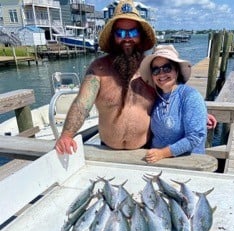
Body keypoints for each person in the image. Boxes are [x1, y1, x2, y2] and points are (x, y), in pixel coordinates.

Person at [55, 0, 216, 155]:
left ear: (141, 36)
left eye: (132, 32)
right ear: (113, 36)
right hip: (107, 151)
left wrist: (197, 113)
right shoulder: (98, 69)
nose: (127, 38)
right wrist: (67, 135)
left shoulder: (151, 69)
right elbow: (82, 104)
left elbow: (171, 94)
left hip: (144, 151)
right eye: (120, 32)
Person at [139, 44, 208, 163]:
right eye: (156, 70)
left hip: (186, 163)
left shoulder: (190, 96)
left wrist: (162, 153)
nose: (161, 74)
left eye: (167, 68)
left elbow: (195, 137)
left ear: (176, 70)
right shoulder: (155, 98)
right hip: (157, 161)